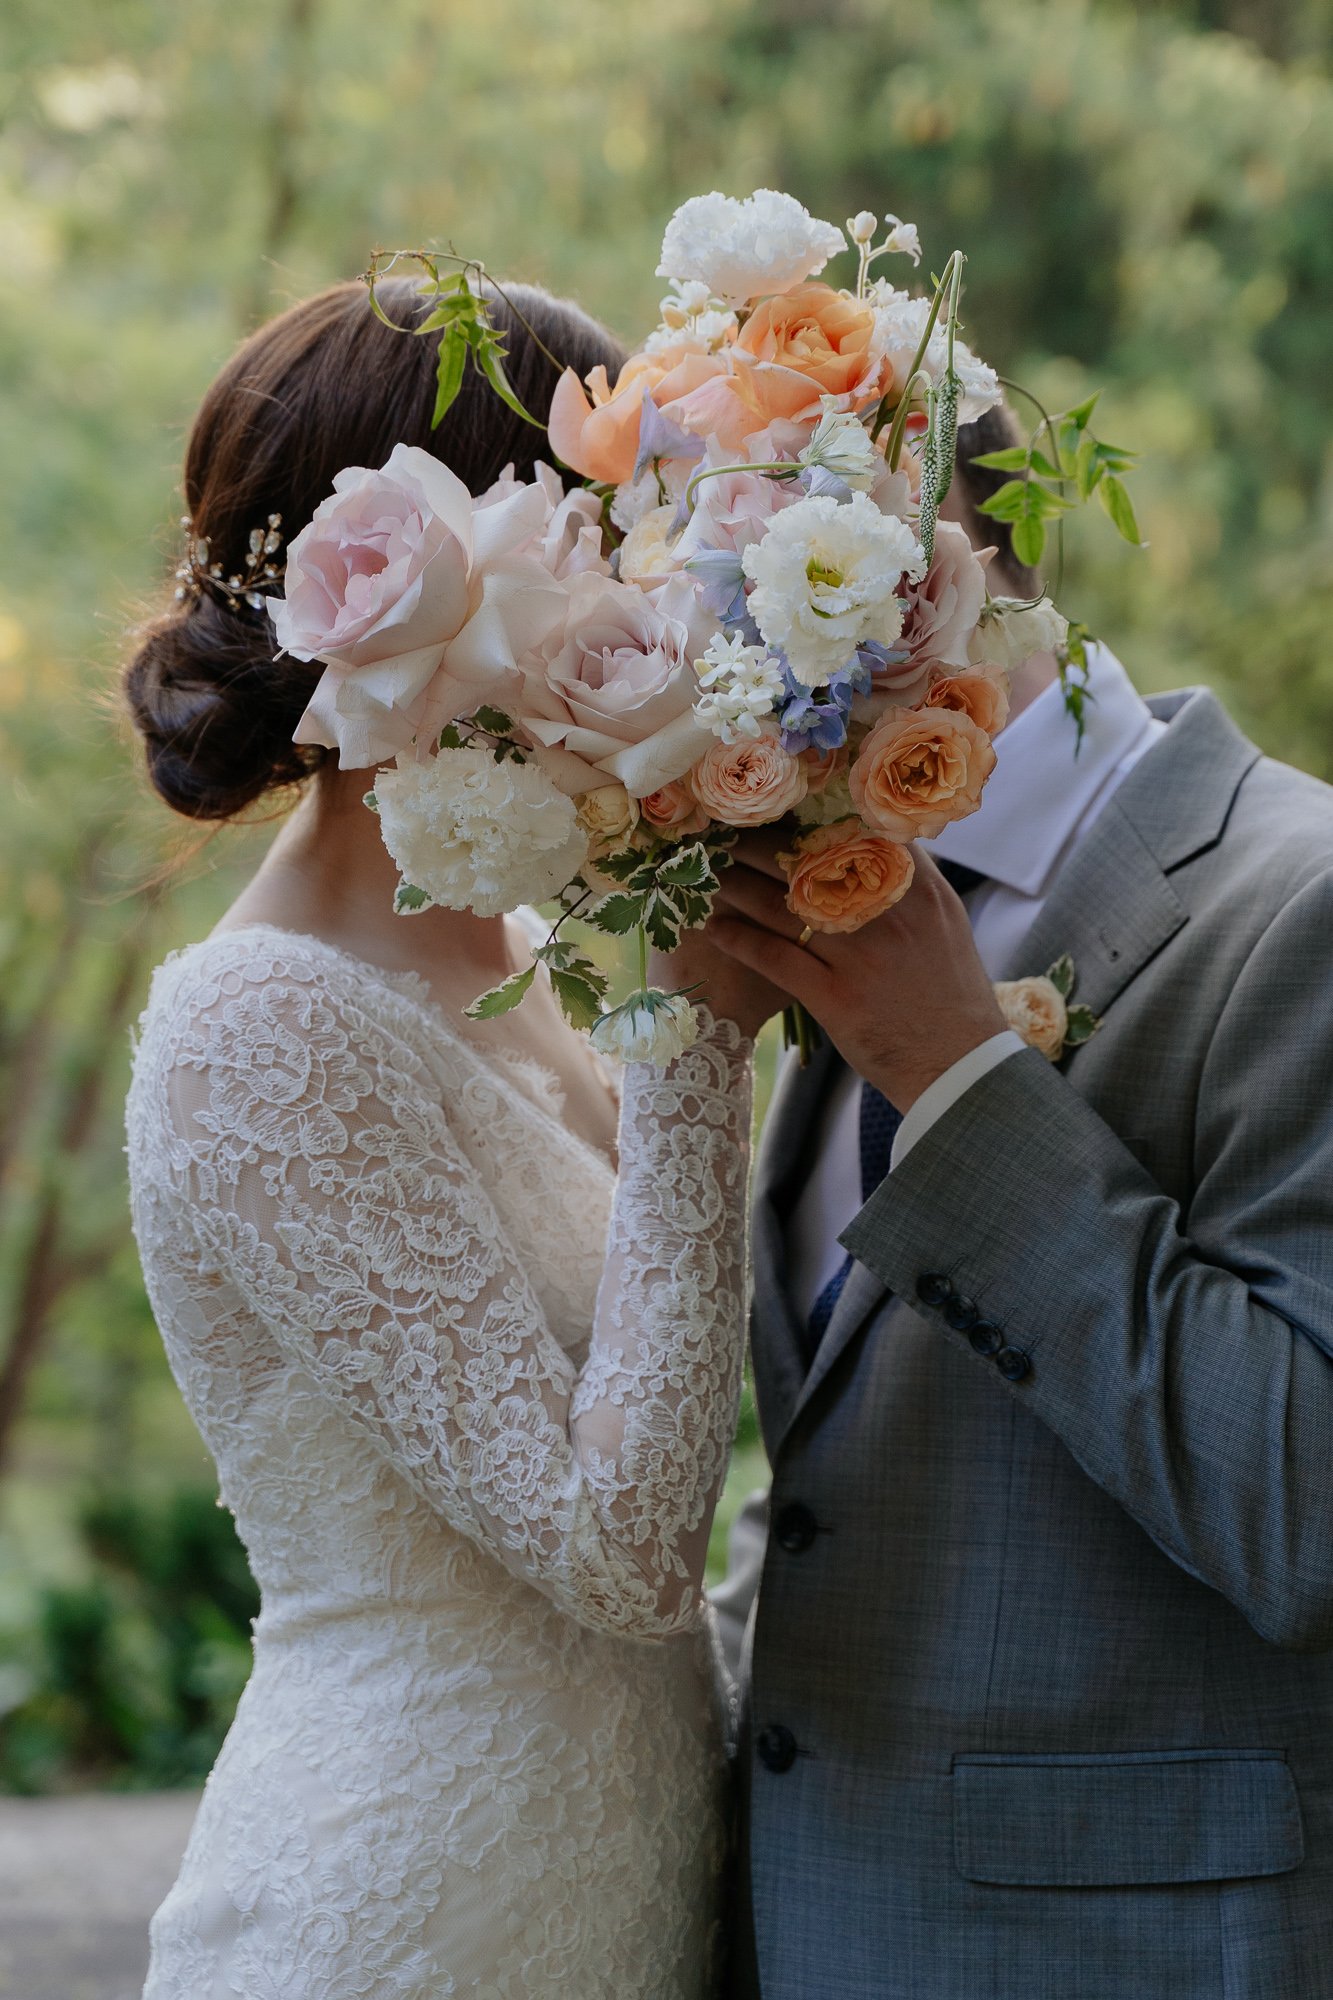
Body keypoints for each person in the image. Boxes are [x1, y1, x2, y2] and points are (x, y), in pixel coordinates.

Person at [121, 278, 771, 1999]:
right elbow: (616, 1552)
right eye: (620, 538)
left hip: (632, 1903)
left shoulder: (528, 961)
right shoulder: (258, 1027)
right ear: (440, 576)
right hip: (404, 1916)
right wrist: (701, 1027)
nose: (662, 598)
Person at [706, 474, 1333, 1992]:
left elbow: (1305, 1504)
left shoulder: (1298, 897)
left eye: (719, 610)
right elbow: (842, 1465)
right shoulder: (834, 891)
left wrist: (960, 1081)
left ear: (911, 575)